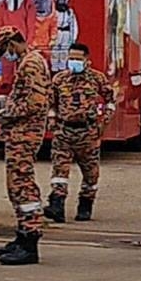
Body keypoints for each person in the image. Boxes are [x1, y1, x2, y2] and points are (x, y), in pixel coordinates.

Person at [0, 25, 51, 266]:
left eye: (6, 50)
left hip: (25, 135)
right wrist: (0, 101)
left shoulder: (31, 64)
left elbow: (35, 104)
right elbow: (22, 97)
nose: (6, 55)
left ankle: (30, 242)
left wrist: (0, 115)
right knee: (15, 186)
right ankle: (22, 236)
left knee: (23, 185)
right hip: (19, 134)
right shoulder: (28, 61)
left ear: (12, 44)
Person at [43, 43, 115, 224]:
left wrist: (104, 121)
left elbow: (110, 100)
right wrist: (52, 120)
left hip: (88, 132)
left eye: (78, 59)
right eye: (71, 58)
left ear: (86, 60)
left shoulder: (97, 78)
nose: (74, 62)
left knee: (91, 173)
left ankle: (85, 205)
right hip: (64, 131)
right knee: (60, 170)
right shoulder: (59, 79)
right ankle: (57, 205)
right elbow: (51, 103)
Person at [52, 0, 79, 72]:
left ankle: (62, 68)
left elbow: (73, 25)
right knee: (55, 51)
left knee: (64, 52)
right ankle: (54, 69)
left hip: (66, 33)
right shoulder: (53, 11)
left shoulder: (69, 12)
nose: (60, 1)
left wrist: (73, 38)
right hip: (56, 32)